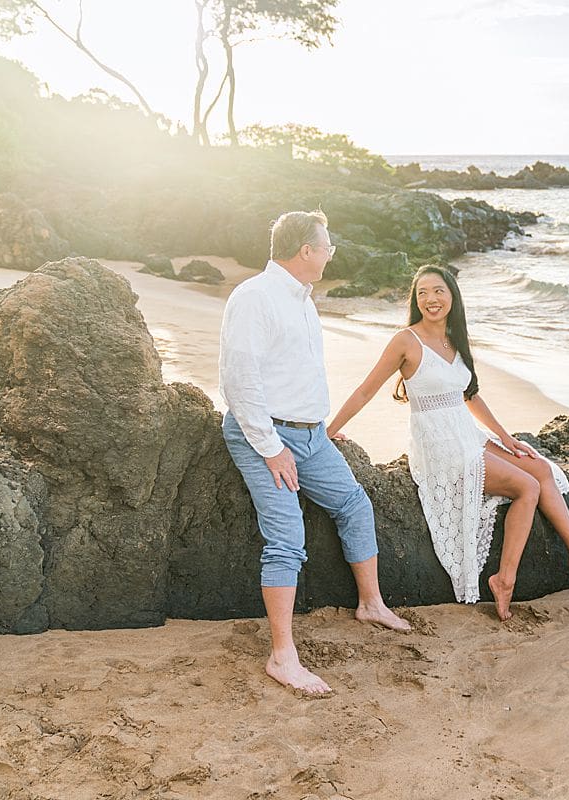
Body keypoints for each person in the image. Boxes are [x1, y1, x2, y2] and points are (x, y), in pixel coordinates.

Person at [327, 265, 569, 621]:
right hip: (439, 446)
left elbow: (470, 396)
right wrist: (329, 430)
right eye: (422, 293)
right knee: (526, 487)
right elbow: (365, 389)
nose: (430, 299)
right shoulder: (407, 340)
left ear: (452, 295)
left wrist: (506, 437)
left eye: (437, 291)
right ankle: (504, 580)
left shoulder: (456, 338)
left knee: (540, 468)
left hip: (467, 435)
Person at [219, 210, 410, 696]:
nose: (331, 254)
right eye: (327, 246)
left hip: (310, 435)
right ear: (306, 250)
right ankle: (282, 657)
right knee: (287, 538)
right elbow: (239, 382)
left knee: (354, 503)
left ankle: (371, 603)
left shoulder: (303, 300)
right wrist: (271, 448)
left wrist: (317, 428)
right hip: (264, 436)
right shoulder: (254, 297)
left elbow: (294, 372)